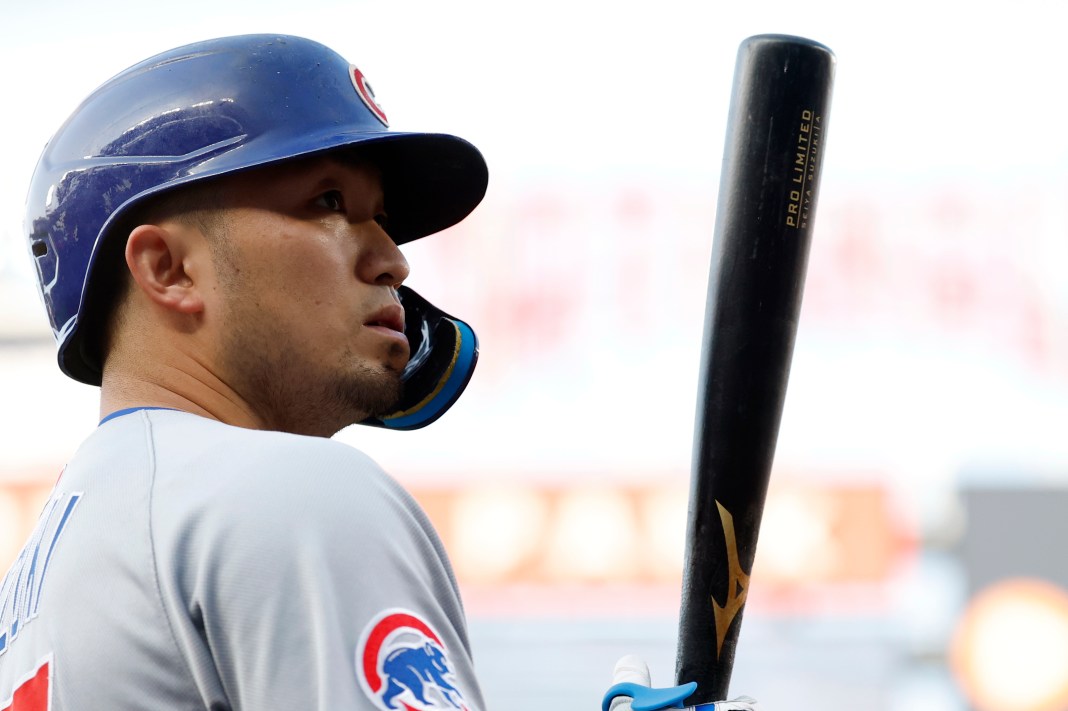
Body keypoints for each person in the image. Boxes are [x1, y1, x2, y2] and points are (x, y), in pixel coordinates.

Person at [0, 34, 488, 710]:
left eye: (380, 218)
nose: (392, 261)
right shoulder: (291, 494)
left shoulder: (43, 575)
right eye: (327, 203)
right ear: (168, 269)